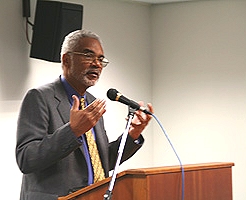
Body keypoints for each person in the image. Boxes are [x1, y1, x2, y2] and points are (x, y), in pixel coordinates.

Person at [16, 30, 154, 200]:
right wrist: (72, 131)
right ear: (66, 59)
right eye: (89, 56)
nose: (96, 64)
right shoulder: (40, 97)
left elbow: (103, 162)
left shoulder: (92, 102)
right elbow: (27, 158)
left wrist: (132, 135)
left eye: (101, 59)